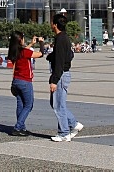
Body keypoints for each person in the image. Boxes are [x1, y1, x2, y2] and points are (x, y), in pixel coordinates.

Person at [46, 13, 83, 142]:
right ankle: (73, 124)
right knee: (56, 103)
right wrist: (51, 56)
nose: (51, 25)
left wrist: (54, 80)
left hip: (61, 75)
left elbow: (61, 61)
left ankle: (64, 132)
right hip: (63, 74)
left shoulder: (61, 39)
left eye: (52, 22)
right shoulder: (64, 38)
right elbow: (69, 55)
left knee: (58, 105)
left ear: (55, 25)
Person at [6, 32, 44, 136]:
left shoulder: (14, 52)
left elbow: (24, 51)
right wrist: (41, 43)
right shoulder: (24, 52)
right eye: (23, 38)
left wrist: (31, 44)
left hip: (16, 81)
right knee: (28, 105)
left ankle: (21, 127)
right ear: (20, 40)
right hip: (25, 81)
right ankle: (18, 127)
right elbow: (40, 54)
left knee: (20, 104)